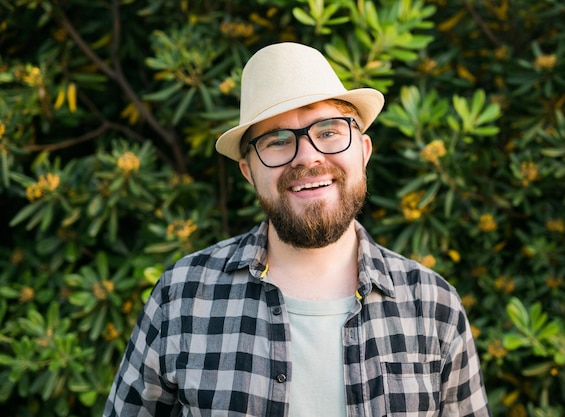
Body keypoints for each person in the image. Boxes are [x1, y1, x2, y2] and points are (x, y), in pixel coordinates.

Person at [104, 42, 491, 417]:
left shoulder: (433, 305)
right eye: (277, 141)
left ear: (364, 151)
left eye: (328, 131)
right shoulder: (183, 296)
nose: (308, 157)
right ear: (249, 173)